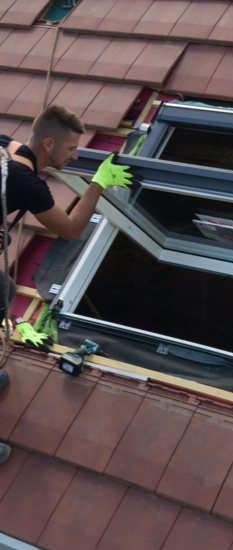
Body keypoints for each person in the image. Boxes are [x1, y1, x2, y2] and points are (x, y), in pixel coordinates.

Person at [0, 105, 134, 463]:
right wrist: (99, 183)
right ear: (47, 143)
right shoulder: (25, 182)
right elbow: (73, 229)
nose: (76, 155)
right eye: (71, 148)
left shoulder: (7, 147)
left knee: (7, 293)